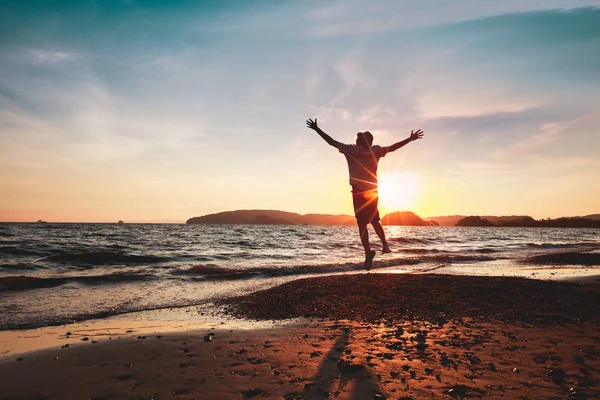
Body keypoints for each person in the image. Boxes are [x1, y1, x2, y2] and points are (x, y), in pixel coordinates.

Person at [306, 118, 424, 270]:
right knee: (375, 221)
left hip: (359, 193)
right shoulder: (375, 150)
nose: (355, 139)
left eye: (358, 138)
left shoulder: (351, 150)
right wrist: (409, 139)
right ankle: (385, 245)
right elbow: (394, 147)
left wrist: (317, 129)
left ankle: (368, 252)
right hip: (373, 192)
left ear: (361, 141)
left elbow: (331, 141)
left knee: (362, 225)